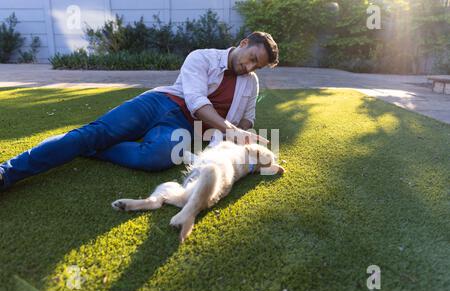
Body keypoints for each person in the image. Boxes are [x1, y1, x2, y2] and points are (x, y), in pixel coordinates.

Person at [0, 31, 279, 191]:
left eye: (258, 66)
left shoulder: (250, 83)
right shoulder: (202, 57)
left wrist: (242, 136)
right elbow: (196, 102)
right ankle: (7, 172)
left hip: (180, 127)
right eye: (252, 58)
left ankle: (86, 146)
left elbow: (247, 117)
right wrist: (233, 130)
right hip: (158, 104)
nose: (250, 67)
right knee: (94, 133)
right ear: (243, 44)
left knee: (157, 158)